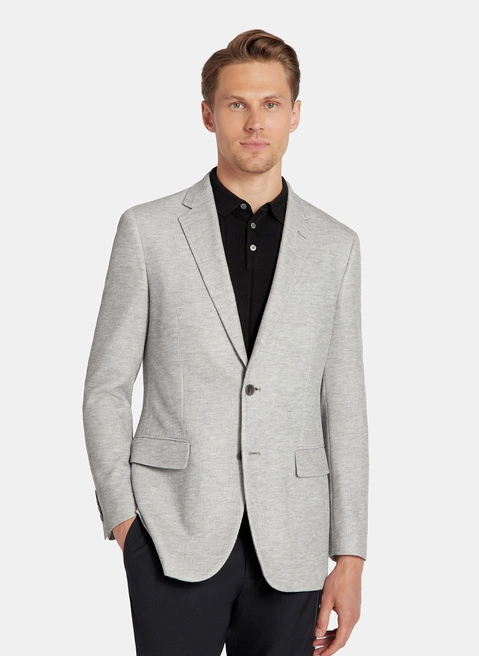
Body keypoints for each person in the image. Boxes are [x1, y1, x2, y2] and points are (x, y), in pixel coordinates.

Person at [82, 28, 369, 656]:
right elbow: (105, 387)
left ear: (296, 114)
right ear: (209, 114)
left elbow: (344, 404)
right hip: (172, 532)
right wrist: (125, 522)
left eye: (271, 104)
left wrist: (349, 555)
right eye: (237, 104)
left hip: (291, 541)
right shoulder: (148, 231)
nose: (254, 121)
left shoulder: (336, 247)